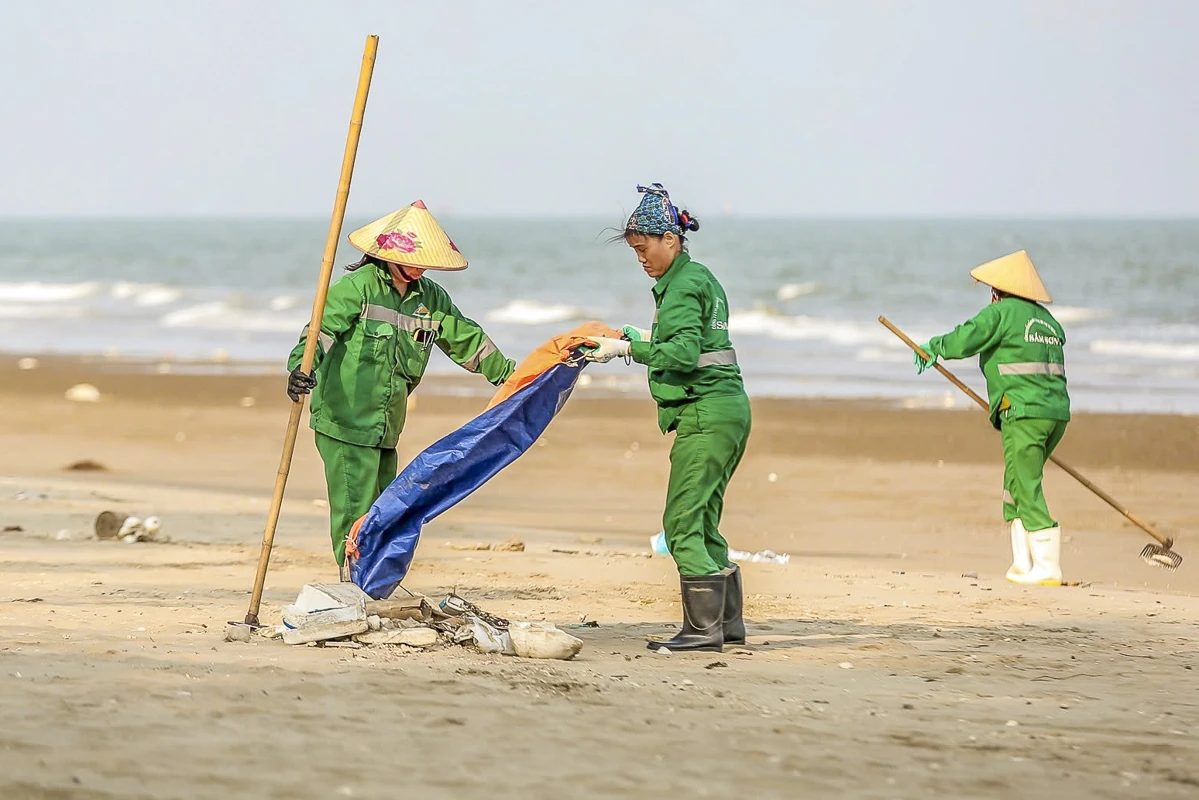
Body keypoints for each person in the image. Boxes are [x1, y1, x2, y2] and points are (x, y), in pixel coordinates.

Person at [287, 201, 516, 579]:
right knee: (353, 510)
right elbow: (318, 333)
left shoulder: (431, 299)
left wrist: (510, 378)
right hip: (344, 422)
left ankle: (371, 582)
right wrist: (299, 368)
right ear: (387, 254)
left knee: (384, 510)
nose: (418, 267)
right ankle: (351, 583)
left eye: (425, 261)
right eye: (413, 259)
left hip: (386, 427)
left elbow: (468, 341)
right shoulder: (355, 289)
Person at [586, 183, 752, 652]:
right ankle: (728, 625)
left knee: (681, 524)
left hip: (704, 413)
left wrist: (624, 349)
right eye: (635, 252)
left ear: (671, 240)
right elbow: (698, 342)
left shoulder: (679, 285)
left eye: (644, 249)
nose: (641, 259)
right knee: (703, 521)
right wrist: (641, 334)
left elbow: (679, 354)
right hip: (730, 410)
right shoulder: (700, 278)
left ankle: (702, 631)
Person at [914, 250, 1070, 586]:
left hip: (1023, 412)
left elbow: (968, 337)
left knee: (1026, 486)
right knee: (1016, 482)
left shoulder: (1001, 313)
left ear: (998, 291)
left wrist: (934, 346)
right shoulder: (1048, 322)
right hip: (1055, 413)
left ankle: (1047, 568)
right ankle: (1021, 564)